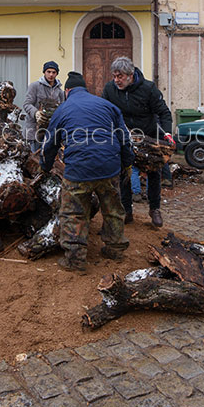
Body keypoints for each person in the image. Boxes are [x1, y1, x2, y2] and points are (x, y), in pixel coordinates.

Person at [41, 71, 133, 272]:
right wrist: (127, 164)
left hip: (78, 170)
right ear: (86, 89)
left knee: (74, 212)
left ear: (67, 91)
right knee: (113, 210)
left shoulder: (63, 109)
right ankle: (115, 249)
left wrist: (45, 166)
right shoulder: (108, 106)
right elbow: (125, 138)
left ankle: (75, 259)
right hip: (109, 167)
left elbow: (50, 143)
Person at [102, 57, 173, 228]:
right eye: (114, 76)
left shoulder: (148, 88)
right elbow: (104, 111)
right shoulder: (110, 89)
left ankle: (154, 208)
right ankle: (127, 210)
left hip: (148, 136)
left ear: (130, 75)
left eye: (120, 76)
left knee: (154, 173)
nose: (116, 80)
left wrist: (167, 133)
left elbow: (164, 112)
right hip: (124, 136)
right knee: (125, 174)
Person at [23, 61, 65, 153]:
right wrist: (36, 113)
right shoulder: (34, 86)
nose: (51, 75)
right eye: (48, 72)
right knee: (34, 160)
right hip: (34, 131)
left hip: (51, 132)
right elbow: (26, 104)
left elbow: (63, 109)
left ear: (57, 74)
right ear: (44, 72)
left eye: (54, 72)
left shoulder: (60, 91)